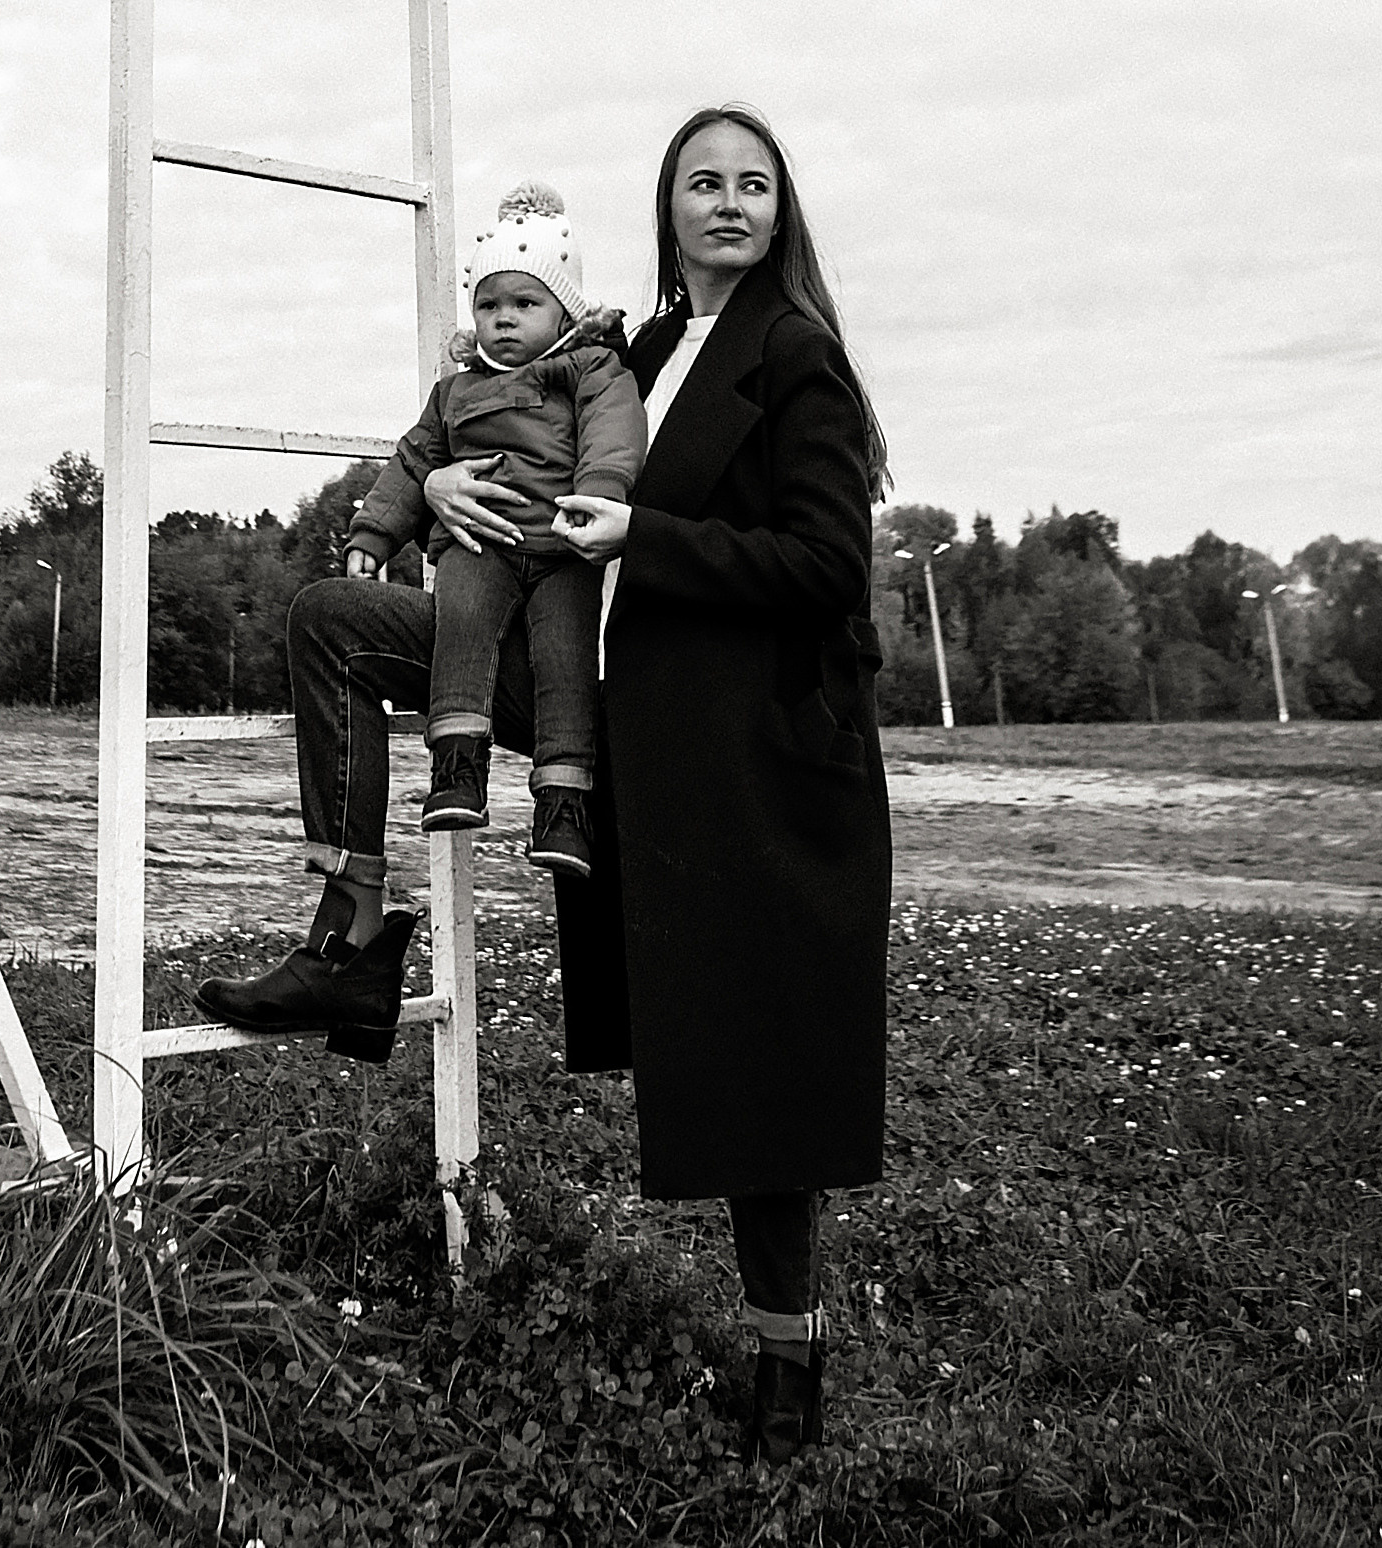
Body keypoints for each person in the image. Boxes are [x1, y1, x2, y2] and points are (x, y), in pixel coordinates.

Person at [195, 106, 891, 1477]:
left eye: (751, 185)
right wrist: (442, 482)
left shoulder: (794, 360)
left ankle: (784, 1348)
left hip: (729, 745)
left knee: (754, 1049)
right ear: (665, 206)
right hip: (586, 688)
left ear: (778, 210)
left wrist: (651, 532)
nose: (727, 204)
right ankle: (347, 944)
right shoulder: (626, 348)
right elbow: (500, 428)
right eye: (702, 183)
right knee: (335, 621)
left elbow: (822, 566)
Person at [341, 188, 647, 879]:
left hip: (564, 548)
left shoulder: (589, 370)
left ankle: (563, 803)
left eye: (524, 304)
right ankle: (455, 767)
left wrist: (600, 496)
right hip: (480, 543)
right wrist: (374, 533)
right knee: (463, 626)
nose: (503, 319)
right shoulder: (454, 391)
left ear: (564, 311)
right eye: (488, 305)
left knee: (565, 661)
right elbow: (414, 458)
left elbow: (614, 434)